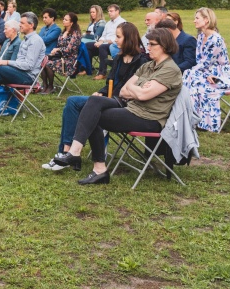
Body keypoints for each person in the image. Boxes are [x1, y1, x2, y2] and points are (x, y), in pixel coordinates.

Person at [47, 28, 181, 185]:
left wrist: (138, 89)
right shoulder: (149, 66)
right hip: (133, 108)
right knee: (94, 103)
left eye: (152, 44)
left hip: (149, 118)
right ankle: (79, 155)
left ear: (164, 46)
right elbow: (124, 90)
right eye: (148, 44)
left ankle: (95, 167)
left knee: (94, 116)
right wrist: (142, 88)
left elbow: (143, 96)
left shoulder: (170, 70)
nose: (148, 47)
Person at [42, 21, 149, 171]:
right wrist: (102, 92)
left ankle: (69, 153)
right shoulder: (119, 58)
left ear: (129, 38)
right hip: (109, 98)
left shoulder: (142, 62)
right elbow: (110, 82)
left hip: (125, 104)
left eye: (119, 37)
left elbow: (133, 90)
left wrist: (106, 96)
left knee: (86, 103)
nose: (116, 40)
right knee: (72, 102)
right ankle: (67, 151)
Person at [184, 7, 230, 131]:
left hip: (221, 77)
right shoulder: (201, 36)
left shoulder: (215, 39)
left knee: (193, 79)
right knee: (191, 79)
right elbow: (200, 61)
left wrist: (190, 73)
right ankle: (191, 119)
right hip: (206, 72)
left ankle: (203, 122)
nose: (194, 21)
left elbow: (205, 63)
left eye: (197, 18)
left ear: (206, 20)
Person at [39, 12, 81, 93]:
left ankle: (51, 86)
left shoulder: (75, 34)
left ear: (71, 22)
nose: (63, 21)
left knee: (48, 64)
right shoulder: (63, 32)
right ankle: (45, 85)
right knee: (43, 61)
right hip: (60, 57)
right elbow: (59, 45)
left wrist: (58, 50)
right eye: (63, 19)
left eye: (66, 20)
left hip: (70, 60)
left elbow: (70, 49)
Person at [94, 4, 127, 80]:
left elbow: (118, 38)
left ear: (117, 11)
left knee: (102, 47)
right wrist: (101, 40)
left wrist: (103, 42)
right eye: (108, 11)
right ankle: (87, 69)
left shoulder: (122, 22)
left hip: (115, 45)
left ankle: (102, 73)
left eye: (111, 11)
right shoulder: (108, 23)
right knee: (88, 46)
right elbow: (103, 35)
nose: (109, 13)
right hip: (105, 43)